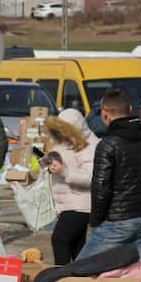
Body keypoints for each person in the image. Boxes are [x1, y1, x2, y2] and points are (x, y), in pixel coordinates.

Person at [80, 89, 141, 260]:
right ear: (130, 109)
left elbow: (100, 189)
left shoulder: (108, 144)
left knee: (80, 271)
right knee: (128, 278)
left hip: (117, 221)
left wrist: (95, 222)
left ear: (105, 112)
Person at [44, 110, 98, 264]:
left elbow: (90, 177)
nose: (64, 136)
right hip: (67, 203)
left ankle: (61, 279)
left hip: (81, 204)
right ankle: (82, 281)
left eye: (66, 132)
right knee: (77, 246)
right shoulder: (63, 143)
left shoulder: (90, 146)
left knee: (60, 239)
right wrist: (50, 165)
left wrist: (64, 171)